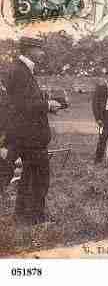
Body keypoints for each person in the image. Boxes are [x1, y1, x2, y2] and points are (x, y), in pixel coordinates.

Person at [2, 37, 61, 225]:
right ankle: (35, 219)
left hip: (27, 135)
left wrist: (43, 101)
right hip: (30, 137)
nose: (43, 53)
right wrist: (47, 105)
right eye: (40, 49)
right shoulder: (20, 71)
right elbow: (21, 104)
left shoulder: (22, 70)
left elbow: (23, 100)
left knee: (29, 177)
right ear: (29, 50)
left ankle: (22, 216)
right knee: (39, 178)